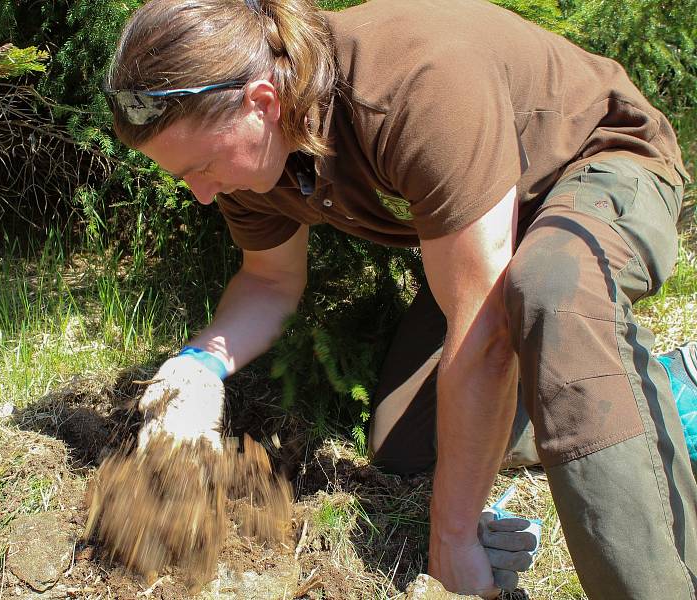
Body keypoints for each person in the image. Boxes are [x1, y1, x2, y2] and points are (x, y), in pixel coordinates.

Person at [102, 0, 697, 597]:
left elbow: (484, 332)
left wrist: (454, 537)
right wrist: (197, 367)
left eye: (201, 167)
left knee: (548, 289)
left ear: (262, 102)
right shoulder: (256, 162)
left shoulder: (415, 85)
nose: (202, 194)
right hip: (492, 229)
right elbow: (269, 282)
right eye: (186, 177)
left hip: (602, 162)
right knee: (404, 444)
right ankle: (641, 388)